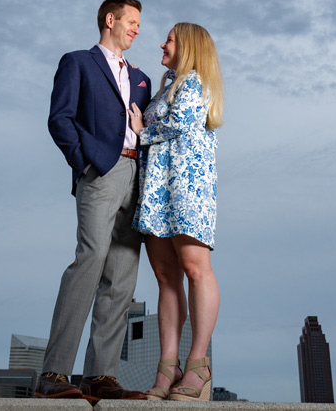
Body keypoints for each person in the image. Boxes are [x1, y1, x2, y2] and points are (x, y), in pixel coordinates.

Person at [34, 0, 153, 402]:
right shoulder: (78, 62)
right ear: (110, 19)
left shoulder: (141, 78)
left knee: (122, 278)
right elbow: (59, 118)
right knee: (89, 261)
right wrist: (84, 162)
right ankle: (53, 372)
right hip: (100, 172)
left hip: (136, 177)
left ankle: (100, 376)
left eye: (139, 23)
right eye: (132, 21)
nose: (137, 29)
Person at [128, 22, 223, 402]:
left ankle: (198, 363)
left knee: (195, 270)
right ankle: (168, 367)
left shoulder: (197, 82)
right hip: (156, 191)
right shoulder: (167, 85)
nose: (162, 44)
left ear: (188, 46)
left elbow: (178, 123)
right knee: (165, 277)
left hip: (187, 190)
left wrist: (140, 131)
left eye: (169, 39)